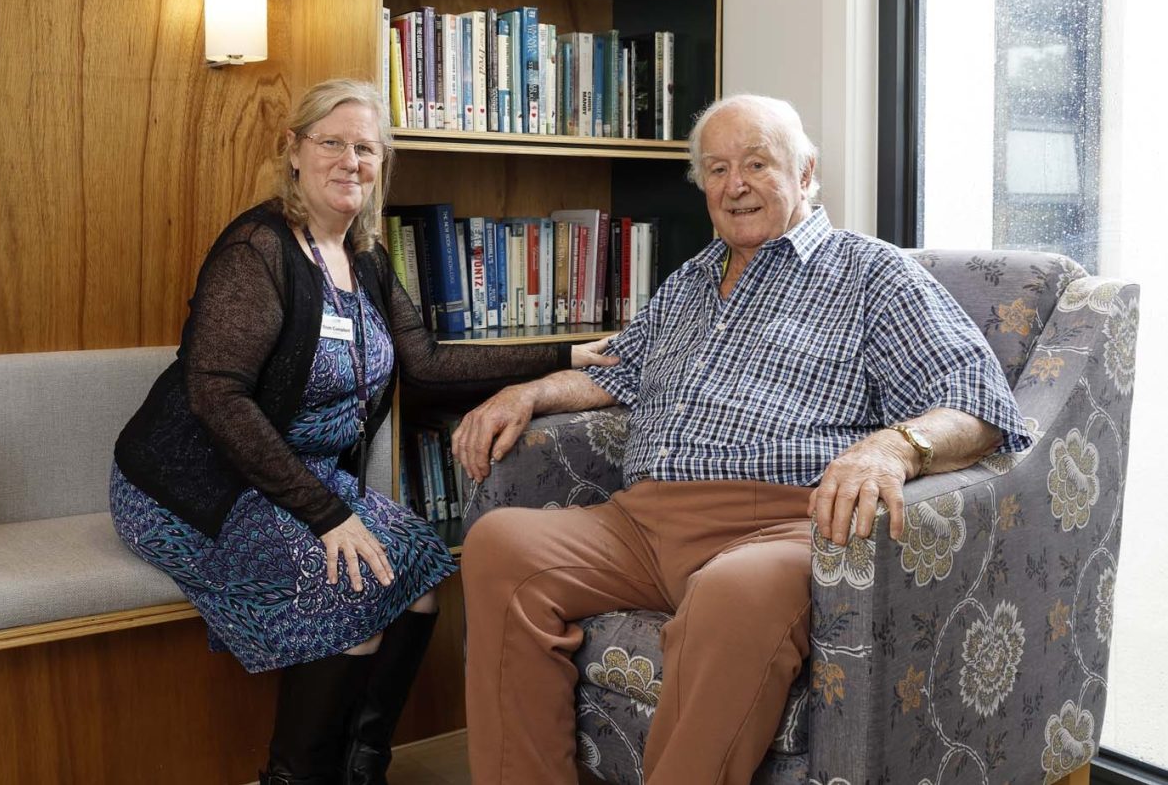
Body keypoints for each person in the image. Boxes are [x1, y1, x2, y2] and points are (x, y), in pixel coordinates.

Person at [454, 94, 1033, 785]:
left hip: (781, 524)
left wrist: (893, 446)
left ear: (804, 172)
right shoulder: (689, 281)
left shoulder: (871, 273)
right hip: (640, 523)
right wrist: (528, 392)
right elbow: (617, 370)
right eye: (718, 168)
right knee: (502, 546)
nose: (735, 185)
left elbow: (978, 403)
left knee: (733, 592)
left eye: (756, 164)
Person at [109, 78, 615, 785]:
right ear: (293, 151)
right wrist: (328, 515)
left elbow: (427, 364)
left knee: (422, 570)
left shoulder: (366, 255)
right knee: (350, 586)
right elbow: (216, 398)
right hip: (197, 484)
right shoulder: (257, 250)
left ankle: (362, 766)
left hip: (302, 478)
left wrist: (565, 354)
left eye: (367, 149)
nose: (351, 161)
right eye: (333, 143)